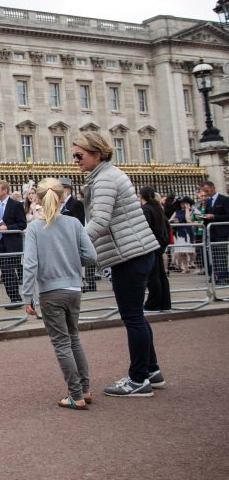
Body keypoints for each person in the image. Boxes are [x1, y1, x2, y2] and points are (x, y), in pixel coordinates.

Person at [72, 132, 165, 398]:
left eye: (80, 155)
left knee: (132, 317)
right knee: (137, 315)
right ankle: (151, 370)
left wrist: (73, 246)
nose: (76, 160)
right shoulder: (107, 175)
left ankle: (138, 380)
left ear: (96, 153)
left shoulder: (104, 180)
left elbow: (99, 222)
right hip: (134, 251)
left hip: (128, 254)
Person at [22, 178, 98, 410]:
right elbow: (91, 256)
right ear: (62, 197)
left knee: (61, 343)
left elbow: (31, 264)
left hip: (51, 290)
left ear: (39, 199)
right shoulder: (74, 223)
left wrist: (27, 296)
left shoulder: (35, 227)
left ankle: (75, 395)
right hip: (74, 288)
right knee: (74, 338)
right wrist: (73, 263)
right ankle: (84, 388)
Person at [0, 180, 27, 307]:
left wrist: (8, 227)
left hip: (12, 243)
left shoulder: (16, 205)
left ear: (5, 190)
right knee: (5, 271)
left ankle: (16, 299)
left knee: (9, 271)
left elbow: (22, 224)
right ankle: (14, 298)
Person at [140, 186, 172, 312]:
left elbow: (145, 228)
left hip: (151, 244)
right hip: (158, 244)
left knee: (153, 277)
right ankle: (165, 303)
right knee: (161, 275)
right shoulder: (157, 208)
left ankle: (154, 303)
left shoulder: (146, 209)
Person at [199, 180, 229, 285]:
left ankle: (222, 277)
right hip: (210, 233)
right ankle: (215, 276)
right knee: (212, 255)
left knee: (220, 255)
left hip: (221, 232)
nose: (206, 193)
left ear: (213, 188)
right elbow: (207, 215)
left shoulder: (224, 200)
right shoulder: (207, 201)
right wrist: (203, 219)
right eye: (204, 191)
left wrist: (214, 216)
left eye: (207, 190)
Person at [169, 196, 196, 274]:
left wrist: (187, 209)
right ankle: (185, 268)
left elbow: (188, 220)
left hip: (187, 233)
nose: (182, 204)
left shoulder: (191, 210)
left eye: (184, 202)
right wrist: (174, 221)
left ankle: (191, 264)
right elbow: (169, 220)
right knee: (181, 252)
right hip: (179, 233)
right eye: (181, 202)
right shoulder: (177, 211)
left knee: (189, 251)